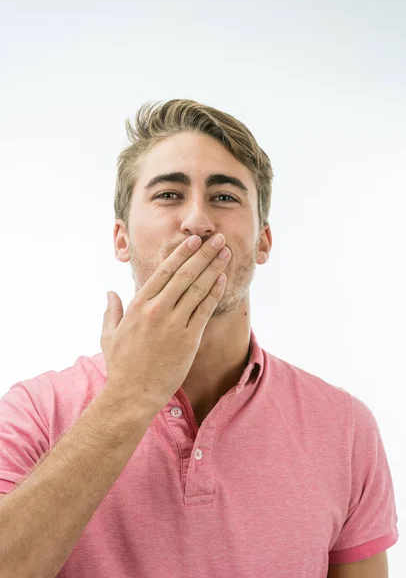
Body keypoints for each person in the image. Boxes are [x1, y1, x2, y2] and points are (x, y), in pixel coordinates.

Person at [0, 99, 398, 577]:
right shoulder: (34, 412)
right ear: (121, 239)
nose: (198, 221)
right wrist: (130, 396)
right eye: (168, 194)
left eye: (225, 197)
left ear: (264, 241)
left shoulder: (347, 428)